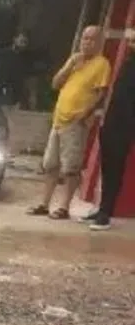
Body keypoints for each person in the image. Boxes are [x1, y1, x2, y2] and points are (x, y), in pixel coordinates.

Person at [28, 25, 111, 221]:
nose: (86, 43)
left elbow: (101, 93)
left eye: (91, 39)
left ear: (100, 43)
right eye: (84, 38)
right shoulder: (75, 60)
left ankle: (64, 207)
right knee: (50, 164)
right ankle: (44, 203)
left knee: (70, 167)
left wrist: (84, 114)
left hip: (76, 122)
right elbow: (55, 84)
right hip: (59, 119)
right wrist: (70, 66)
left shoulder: (102, 64)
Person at [83, 29, 135, 230]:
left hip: (127, 124)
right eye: (129, 40)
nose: (130, 43)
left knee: (116, 168)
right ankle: (103, 208)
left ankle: (106, 213)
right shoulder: (128, 62)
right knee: (109, 167)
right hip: (114, 121)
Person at [0, 33, 38, 110]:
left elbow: (31, 78)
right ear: (15, 39)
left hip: (17, 94)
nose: (23, 45)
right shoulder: (2, 55)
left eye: (25, 43)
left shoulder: (27, 59)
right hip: (1, 91)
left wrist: (32, 95)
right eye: (21, 41)